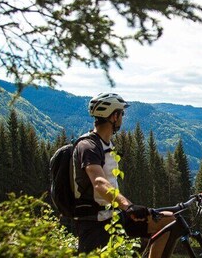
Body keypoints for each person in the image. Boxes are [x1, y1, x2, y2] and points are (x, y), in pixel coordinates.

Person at [72, 92, 173, 256]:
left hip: (114, 216)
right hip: (95, 221)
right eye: (121, 113)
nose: (122, 118)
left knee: (168, 221)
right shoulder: (88, 146)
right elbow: (99, 182)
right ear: (114, 116)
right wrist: (129, 206)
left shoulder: (106, 144)